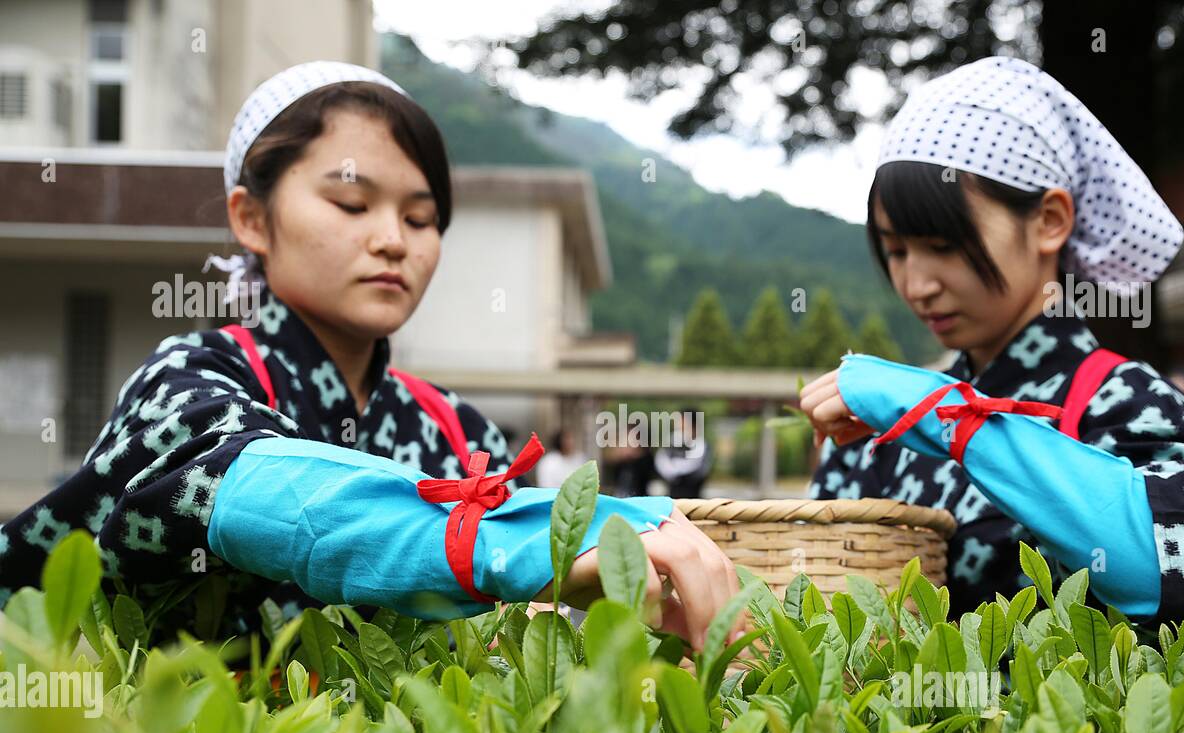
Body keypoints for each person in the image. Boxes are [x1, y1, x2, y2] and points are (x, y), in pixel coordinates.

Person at [0, 62, 741, 652]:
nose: (394, 239)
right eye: (353, 206)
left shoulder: (456, 429)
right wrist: (513, 544)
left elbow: (518, 640)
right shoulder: (187, 380)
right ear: (251, 218)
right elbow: (250, 484)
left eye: (421, 217)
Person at [801, 56, 1184, 633]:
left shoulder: (1128, 404)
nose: (917, 285)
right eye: (897, 251)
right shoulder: (877, 430)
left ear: (1049, 220)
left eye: (944, 245)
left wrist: (944, 414)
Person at [654, 409, 713, 498]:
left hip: (693, 497)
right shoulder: (671, 442)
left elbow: (695, 467)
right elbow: (661, 462)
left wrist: (677, 471)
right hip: (672, 497)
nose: (679, 428)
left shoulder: (702, 445)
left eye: (683, 424)